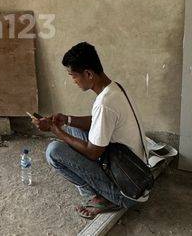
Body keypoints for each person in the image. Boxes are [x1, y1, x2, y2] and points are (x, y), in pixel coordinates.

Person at [32, 42, 148, 219]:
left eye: (74, 76)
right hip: (136, 174)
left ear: (88, 74)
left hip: (128, 191)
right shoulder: (115, 89)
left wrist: (55, 130)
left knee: (54, 151)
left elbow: (93, 153)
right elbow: (98, 122)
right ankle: (102, 192)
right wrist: (66, 120)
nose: (74, 81)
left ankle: (101, 198)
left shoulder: (104, 104)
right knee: (75, 132)